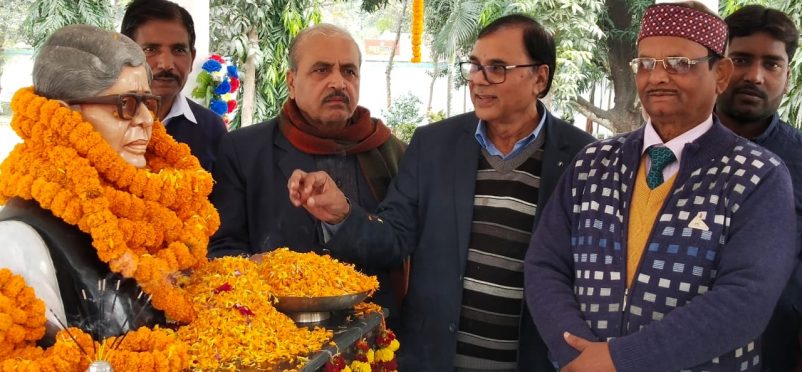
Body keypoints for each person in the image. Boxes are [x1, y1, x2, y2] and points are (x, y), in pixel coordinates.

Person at [287, 14, 595, 371]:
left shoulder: (581, 158)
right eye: (475, 66)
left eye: (497, 68)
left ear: (539, 78)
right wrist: (342, 214)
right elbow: (395, 237)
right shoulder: (433, 145)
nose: (479, 80)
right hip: (435, 359)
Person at [525, 2, 797, 371]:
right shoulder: (594, 163)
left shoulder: (757, 175)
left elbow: (746, 299)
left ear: (721, 74)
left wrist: (620, 359)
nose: (658, 77)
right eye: (647, 64)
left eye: (679, 64)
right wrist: (578, 353)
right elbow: (545, 265)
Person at [0, 25, 218, 343]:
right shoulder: (20, 243)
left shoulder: (156, 217)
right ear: (64, 118)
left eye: (149, 103)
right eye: (126, 105)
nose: (146, 120)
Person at [208, 24, 407, 321]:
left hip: (376, 336)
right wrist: (257, 266)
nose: (338, 82)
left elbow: (400, 245)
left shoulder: (390, 151)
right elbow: (221, 249)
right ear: (291, 82)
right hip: (273, 334)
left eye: (349, 71)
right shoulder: (243, 150)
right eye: (321, 70)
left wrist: (344, 218)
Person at [714, 5, 802, 371]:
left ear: (786, 74)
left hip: (772, 351)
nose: (755, 76)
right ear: (719, 66)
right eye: (741, 59)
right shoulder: (671, 150)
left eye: (772, 64)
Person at [121, 0, 227, 172]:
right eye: (150, 49)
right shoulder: (101, 119)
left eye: (178, 50)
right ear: (124, 54)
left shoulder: (211, 128)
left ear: (192, 58)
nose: (166, 64)